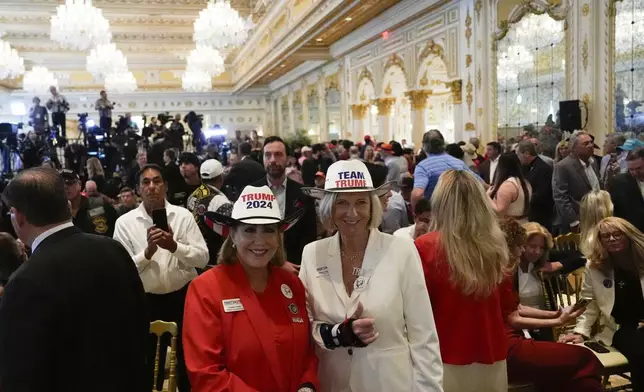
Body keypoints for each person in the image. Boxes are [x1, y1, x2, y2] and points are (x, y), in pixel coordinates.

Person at [299, 159, 443, 392]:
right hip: (332, 383)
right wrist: (337, 335)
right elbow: (305, 328)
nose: (352, 212)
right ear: (329, 208)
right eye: (342, 203)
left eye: (361, 202)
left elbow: (424, 336)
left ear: (372, 206)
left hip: (390, 384)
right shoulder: (312, 254)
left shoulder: (401, 251)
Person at [0, 167, 147, 391]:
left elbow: (22, 374)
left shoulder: (24, 281)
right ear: (67, 206)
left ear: (18, 216)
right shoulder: (113, 249)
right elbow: (141, 324)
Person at [183, 185, 318, 391]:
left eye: (269, 230)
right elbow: (205, 374)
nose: (260, 240)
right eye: (249, 229)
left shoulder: (291, 284)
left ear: (278, 237)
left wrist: (307, 386)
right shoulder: (205, 289)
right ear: (233, 235)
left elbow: (308, 353)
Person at [113, 163, 209, 392]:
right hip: (146, 301)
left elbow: (203, 259)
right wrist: (147, 253)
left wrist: (174, 246)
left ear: (165, 186)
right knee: (147, 364)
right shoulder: (124, 224)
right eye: (145, 182)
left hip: (184, 298)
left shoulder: (183, 216)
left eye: (157, 181)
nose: (152, 187)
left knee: (189, 361)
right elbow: (121, 271)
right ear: (138, 189)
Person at [415, 169, 508, 392]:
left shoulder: (425, 246)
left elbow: (417, 313)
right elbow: (505, 308)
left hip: (444, 355)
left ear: (440, 203)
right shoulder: (496, 245)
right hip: (492, 354)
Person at [498, 218, 603, 392]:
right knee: (585, 359)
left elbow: (579, 256)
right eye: (524, 246)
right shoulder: (504, 273)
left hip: (523, 335)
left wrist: (555, 315)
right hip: (509, 342)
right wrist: (557, 320)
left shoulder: (515, 269)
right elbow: (514, 317)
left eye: (540, 248)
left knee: (568, 373)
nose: (533, 251)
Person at [560, 217, 644, 391]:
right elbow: (588, 303)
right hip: (620, 327)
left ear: (628, 235)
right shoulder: (595, 266)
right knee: (640, 349)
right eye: (606, 236)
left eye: (617, 234)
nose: (612, 239)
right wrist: (581, 331)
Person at [253, 136, 317, 268]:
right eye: (268, 155)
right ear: (263, 159)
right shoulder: (251, 193)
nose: (272, 160)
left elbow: (310, 238)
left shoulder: (303, 194)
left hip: (296, 267)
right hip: (259, 267)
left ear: (287, 159)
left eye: (278, 155)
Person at [411, 129, 481, 209]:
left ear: (424, 146)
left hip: (436, 213)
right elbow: (479, 182)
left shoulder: (423, 166)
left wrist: (416, 213)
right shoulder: (458, 163)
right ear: (443, 144)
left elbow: (417, 194)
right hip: (458, 211)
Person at [186, 158, 232, 266]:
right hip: (215, 258)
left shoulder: (192, 196)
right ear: (221, 178)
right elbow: (232, 229)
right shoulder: (218, 201)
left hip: (197, 254)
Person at [553, 131, 601, 233]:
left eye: (591, 142)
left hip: (597, 217)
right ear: (573, 148)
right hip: (577, 220)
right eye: (585, 143)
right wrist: (574, 221)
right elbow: (560, 196)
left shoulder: (594, 163)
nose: (591, 145)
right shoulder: (563, 166)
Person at [62, 169, 118, 237]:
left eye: (69, 183)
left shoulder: (99, 205)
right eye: (60, 184)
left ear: (79, 184)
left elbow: (117, 227)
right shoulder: (56, 213)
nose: (65, 187)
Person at [516, 140, 554, 230]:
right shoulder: (524, 167)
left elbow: (542, 194)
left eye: (518, 155)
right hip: (529, 212)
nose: (518, 158)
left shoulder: (544, 168)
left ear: (526, 153)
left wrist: (522, 200)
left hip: (540, 215)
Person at [488, 152, 532, 224]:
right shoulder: (526, 182)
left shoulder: (508, 186)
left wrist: (487, 196)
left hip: (510, 227)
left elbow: (500, 211)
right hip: (523, 223)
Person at [610, 147, 644, 233]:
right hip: (632, 233)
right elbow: (616, 211)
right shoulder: (619, 182)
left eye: (639, 168)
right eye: (631, 169)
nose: (635, 173)